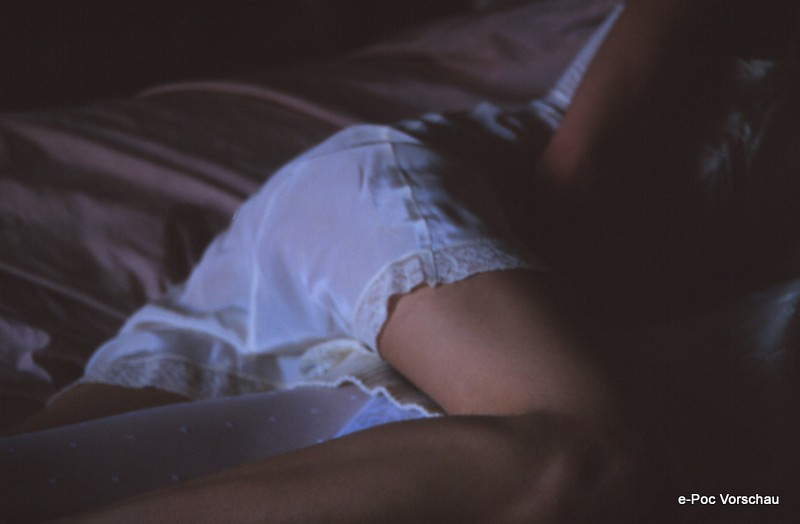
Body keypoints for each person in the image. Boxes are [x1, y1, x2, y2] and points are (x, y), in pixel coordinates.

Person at [3, 0, 789, 521]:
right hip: (387, 216)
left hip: (385, 339)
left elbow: (727, 499)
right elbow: (582, 176)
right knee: (584, 457)